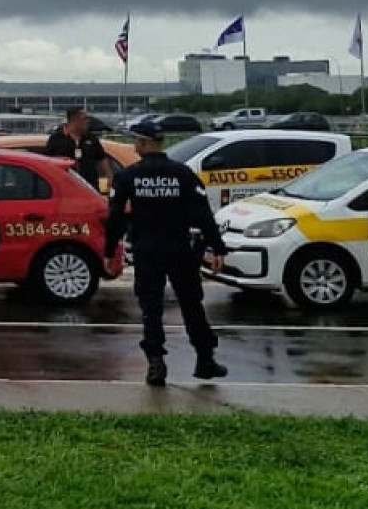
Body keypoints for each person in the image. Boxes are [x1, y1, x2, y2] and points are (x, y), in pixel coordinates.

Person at [105, 122, 227, 387]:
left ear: (144, 143)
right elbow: (203, 214)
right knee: (192, 305)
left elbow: (115, 217)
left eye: (136, 141)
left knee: (151, 308)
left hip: (147, 250)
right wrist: (217, 247)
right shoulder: (183, 174)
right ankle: (205, 360)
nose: (134, 146)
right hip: (180, 249)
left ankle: (156, 364)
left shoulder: (129, 176)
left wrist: (108, 250)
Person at [34, 105, 112, 190]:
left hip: (89, 190)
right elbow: (47, 164)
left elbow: (103, 164)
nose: (88, 121)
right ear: (75, 120)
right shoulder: (56, 139)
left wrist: (106, 185)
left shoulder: (91, 139)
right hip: (65, 190)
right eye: (85, 118)